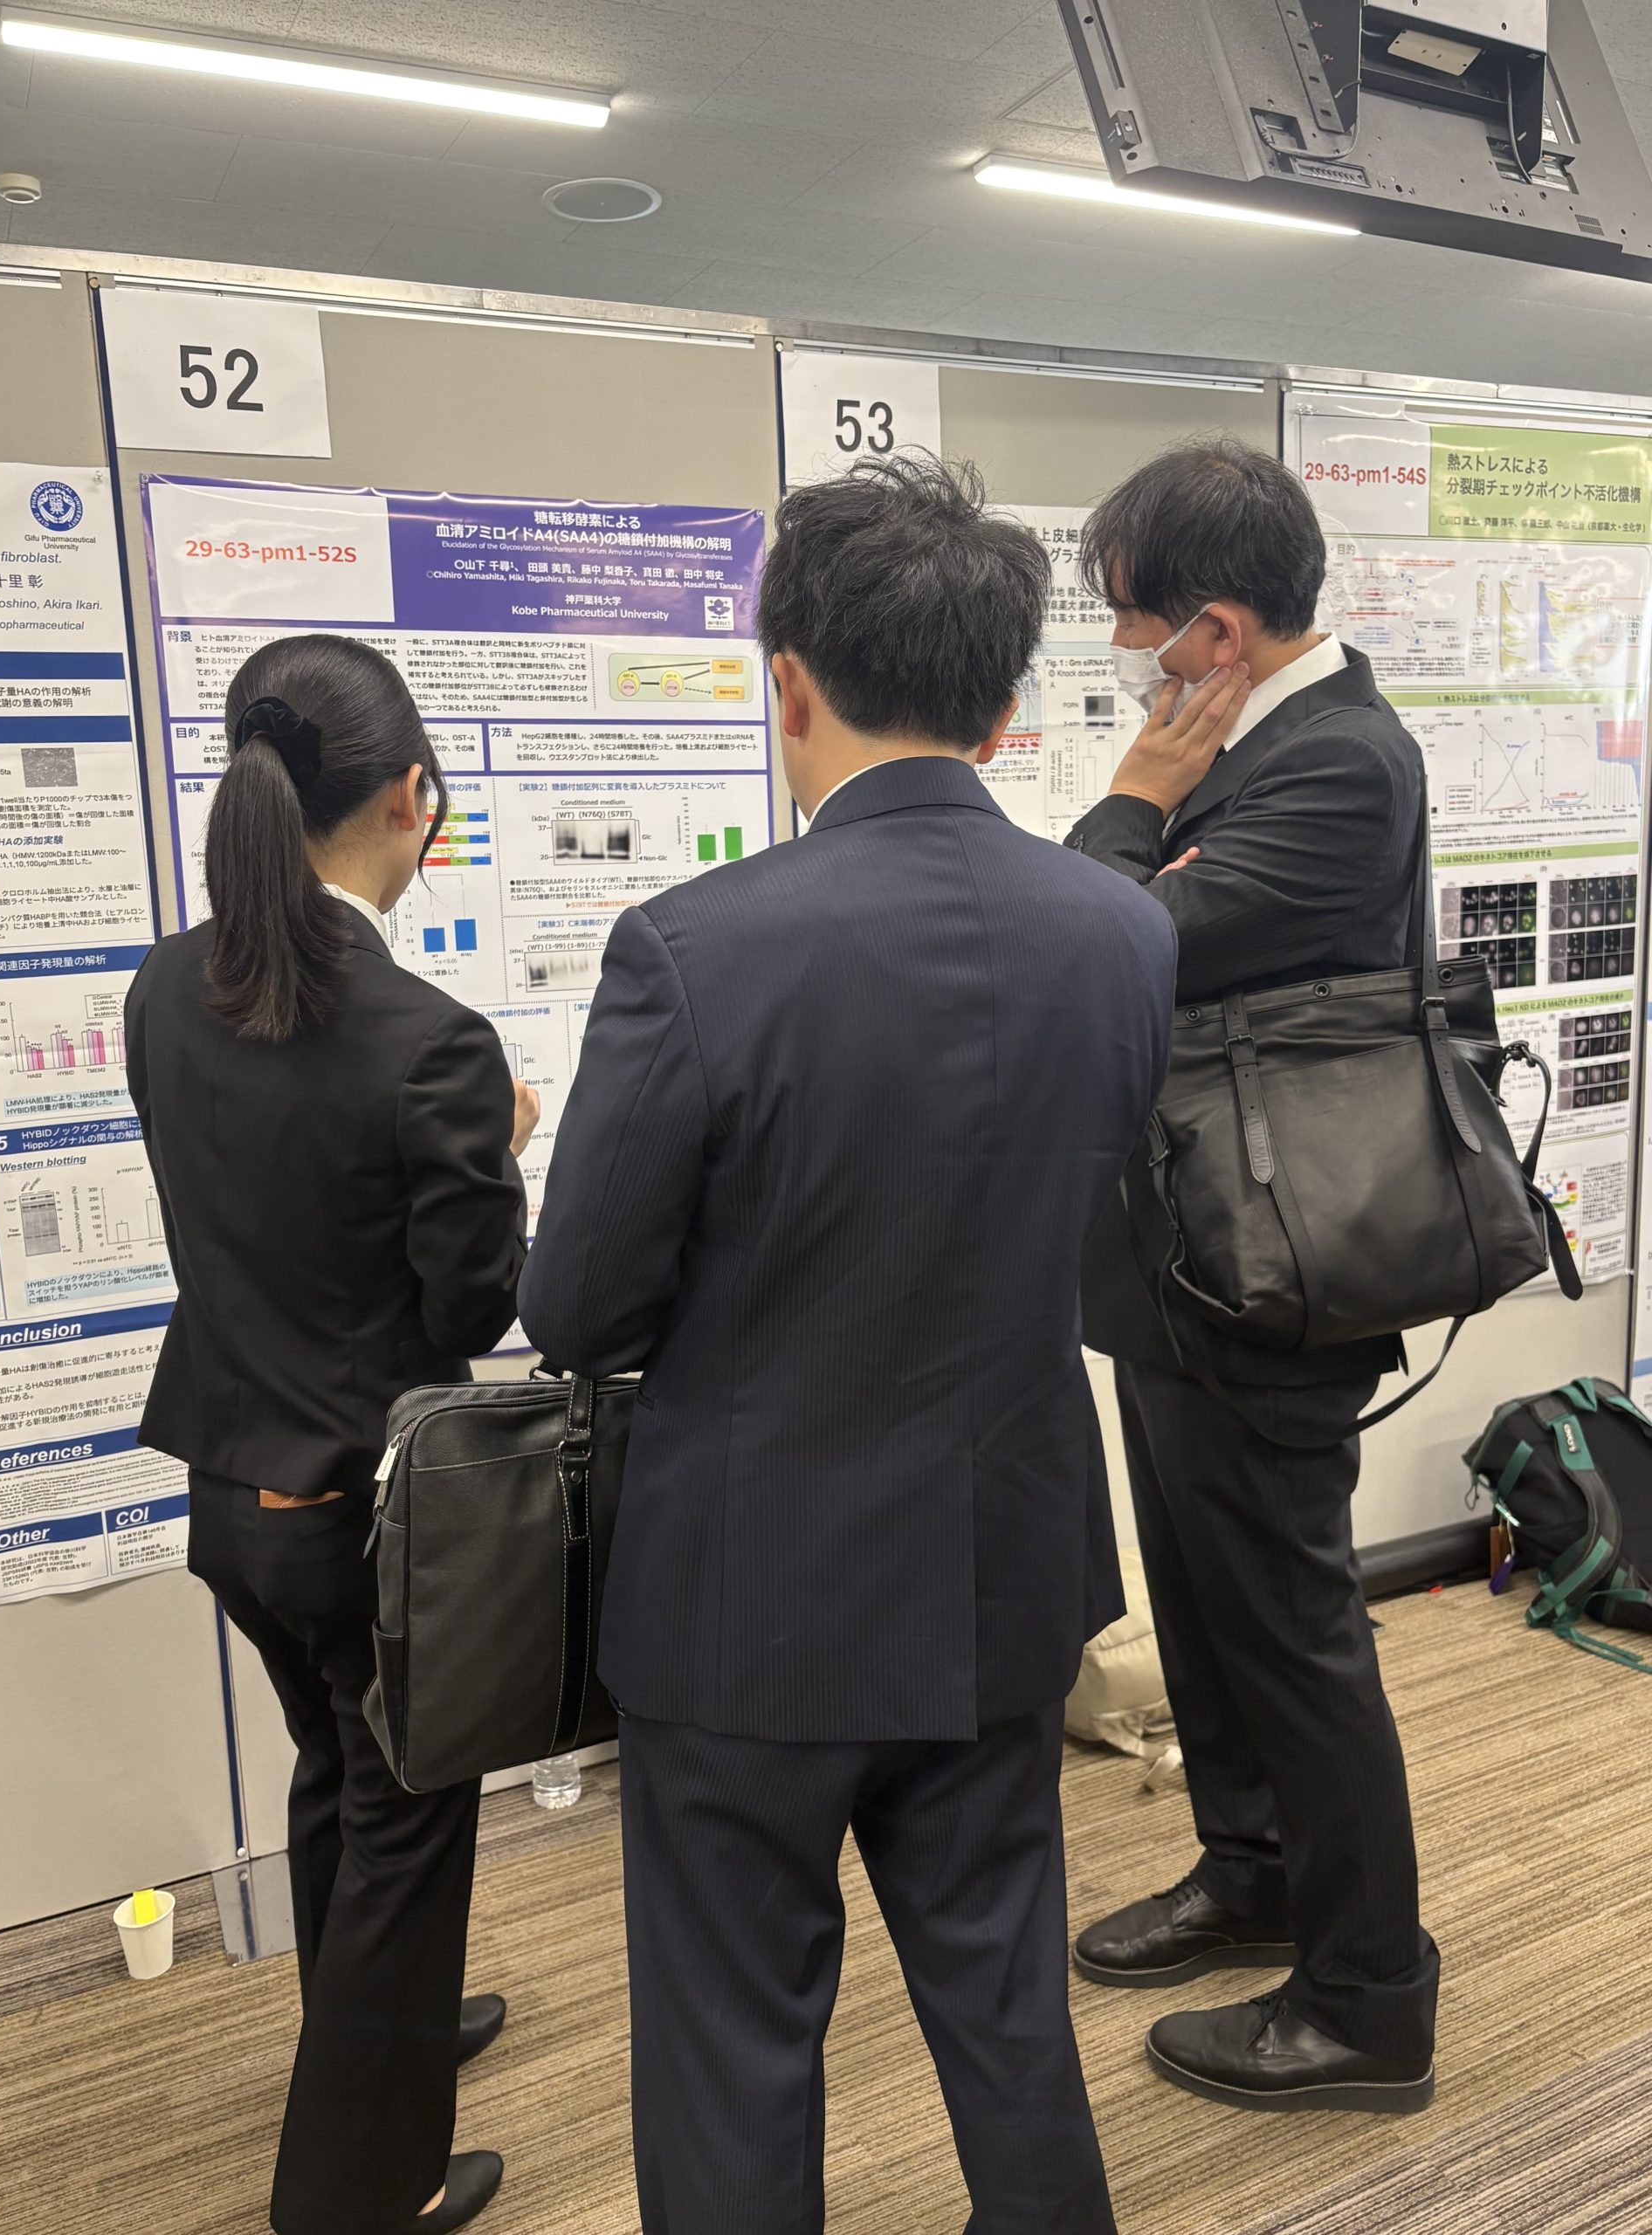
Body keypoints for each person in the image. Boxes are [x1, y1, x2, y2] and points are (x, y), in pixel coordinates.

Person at [520, 454, 1175, 2235]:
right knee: (1007, 2004)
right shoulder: (1124, 934)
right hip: (1001, 1567)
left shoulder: (694, 950)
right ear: (1009, 704)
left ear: (788, 681)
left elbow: (576, 1309)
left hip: (751, 1594)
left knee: (735, 2044)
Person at [127, 635, 537, 2235]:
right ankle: (367, 2189)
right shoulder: (429, 1040)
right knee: (407, 1815)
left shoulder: (167, 986)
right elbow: (469, 1307)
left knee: (339, 1773)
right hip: (366, 1514)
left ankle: (382, 2025)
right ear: (410, 797)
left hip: (232, 1491)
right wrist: (499, 1148)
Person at [1064, 438, 1441, 2114]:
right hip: (1184, 1261)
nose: (1126, 653)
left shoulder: (1340, 761)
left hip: (1271, 1272)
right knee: (1210, 1605)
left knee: (1292, 1629)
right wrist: (1151, 821)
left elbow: (1093, 947)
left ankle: (1369, 1998)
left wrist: (1137, 800)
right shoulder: (1264, 743)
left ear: (1215, 630)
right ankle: (1254, 1870)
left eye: (1135, 621)